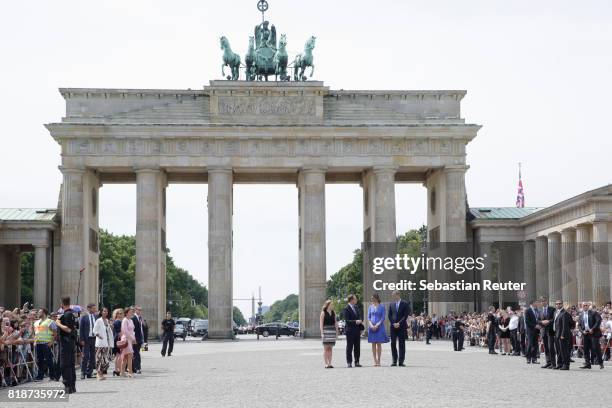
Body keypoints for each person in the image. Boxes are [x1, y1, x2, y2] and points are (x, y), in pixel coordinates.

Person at [55, 296, 77, 394]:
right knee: (71, 364)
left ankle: (67, 387)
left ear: (62, 304)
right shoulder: (72, 314)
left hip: (66, 342)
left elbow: (68, 329)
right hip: (71, 342)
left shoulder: (67, 314)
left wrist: (58, 323)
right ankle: (72, 386)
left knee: (64, 365)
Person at [579, 301, 604, 369]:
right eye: (583, 305)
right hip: (585, 334)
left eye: (586, 305)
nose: (585, 306)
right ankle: (587, 364)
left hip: (594, 333)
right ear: (582, 306)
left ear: (588, 306)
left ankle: (600, 362)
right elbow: (579, 325)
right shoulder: (581, 315)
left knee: (596, 348)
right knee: (586, 349)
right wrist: (582, 331)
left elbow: (598, 321)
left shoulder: (594, 313)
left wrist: (592, 329)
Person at [33, 308, 56, 381]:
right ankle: (40, 376)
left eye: (39, 312)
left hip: (46, 343)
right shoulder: (36, 322)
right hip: (38, 344)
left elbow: (55, 332)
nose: (38, 313)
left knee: (49, 360)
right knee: (40, 361)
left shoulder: (50, 322)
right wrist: (34, 341)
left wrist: (51, 342)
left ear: (44, 313)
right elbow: (36, 333)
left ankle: (52, 376)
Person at [388, 290, 409, 366]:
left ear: (398, 295)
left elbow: (405, 315)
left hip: (402, 326)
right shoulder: (391, 304)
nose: (393, 297)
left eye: (393, 295)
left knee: (401, 344)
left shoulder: (405, 303)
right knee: (393, 343)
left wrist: (399, 323)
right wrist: (393, 323)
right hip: (393, 327)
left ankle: (401, 361)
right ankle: (394, 360)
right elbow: (389, 315)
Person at [92, 307, 114, 380]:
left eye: (106, 311)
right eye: (104, 311)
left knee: (105, 360)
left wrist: (110, 326)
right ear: (101, 312)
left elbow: (109, 332)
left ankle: (101, 373)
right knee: (99, 359)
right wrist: (99, 336)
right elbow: (94, 331)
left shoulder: (107, 321)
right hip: (100, 343)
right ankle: (98, 374)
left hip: (106, 343)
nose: (105, 312)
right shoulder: (98, 320)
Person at [367, 294, 388, 366]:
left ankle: (379, 360)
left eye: (372, 298)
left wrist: (377, 325)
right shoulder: (370, 307)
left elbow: (383, 317)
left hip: (379, 327)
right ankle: (375, 360)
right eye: (371, 298)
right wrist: (371, 325)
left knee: (378, 343)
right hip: (371, 327)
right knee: (373, 344)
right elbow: (368, 317)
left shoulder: (382, 307)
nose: (372, 299)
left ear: (376, 298)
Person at [79, 303, 98, 379]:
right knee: (85, 356)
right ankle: (83, 372)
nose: (94, 310)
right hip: (86, 339)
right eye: (93, 308)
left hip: (94, 339)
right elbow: (81, 329)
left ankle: (89, 372)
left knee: (93, 357)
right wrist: (82, 339)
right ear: (89, 309)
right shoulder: (84, 317)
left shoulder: (96, 317)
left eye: (95, 308)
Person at [343, 294, 362, 368]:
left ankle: (357, 362)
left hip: (357, 330)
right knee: (349, 347)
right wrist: (356, 321)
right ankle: (349, 362)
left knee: (357, 347)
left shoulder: (356, 307)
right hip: (350, 330)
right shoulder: (346, 308)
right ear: (351, 300)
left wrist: (360, 322)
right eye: (355, 299)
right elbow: (347, 321)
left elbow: (360, 316)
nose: (356, 300)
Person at [553, 300, 572, 370]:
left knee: (564, 351)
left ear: (562, 304)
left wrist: (563, 334)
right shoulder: (555, 312)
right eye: (556, 304)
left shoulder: (564, 313)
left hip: (562, 335)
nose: (558, 305)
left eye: (559, 304)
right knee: (558, 350)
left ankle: (566, 365)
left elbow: (565, 325)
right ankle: (559, 364)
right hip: (556, 334)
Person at [319, 299, 338, 369]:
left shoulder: (333, 312)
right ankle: (326, 363)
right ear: (328, 305)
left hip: (332, 331)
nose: (332, 305)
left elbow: (335, 322)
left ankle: (330, 363)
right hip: (326, 331)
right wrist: (322, 333)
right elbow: (321, 323)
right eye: (331, 304)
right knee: (326, 348)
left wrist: (337, 332)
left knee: (330, 348)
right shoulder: (323, 313)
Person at [538, 296, 556, 369]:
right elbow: (538, 320)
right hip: (543, 331)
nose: (543, 302)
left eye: (544, 301)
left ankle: (553, 363)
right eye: (542, 301)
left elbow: (554, 318)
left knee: (551, 347)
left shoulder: (552, 309)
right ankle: (548, 362)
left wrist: (548, 321)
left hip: (550, 331)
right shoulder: (540, 310)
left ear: (547, 301)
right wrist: (542, 322)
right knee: (546, 347)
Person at [120, 307, 136, 377]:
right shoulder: (125, 320)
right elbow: (125, 331)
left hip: (130, 339)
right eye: (130, 312)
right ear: (126, 313)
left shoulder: (131, 320)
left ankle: (122, 372)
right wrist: (132, 338)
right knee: (129, 356)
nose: (131, 313)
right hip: (126, 339)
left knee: (126, 357)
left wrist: (133, 338)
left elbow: (132, 331)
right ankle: (130, 372)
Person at [524, 300, 540, 364]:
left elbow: (538, 319)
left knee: (535, 345)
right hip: (530, 330)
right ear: (532, 303)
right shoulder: (528, 311)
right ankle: (528, 358)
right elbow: (527, 321)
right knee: (530, 344)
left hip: (536, 330)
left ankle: (534, 358)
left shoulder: (537, 310)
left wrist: (540, 325)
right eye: (536, 303)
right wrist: (535, 326)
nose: (537, 304)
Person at [132, 305, 144, 374]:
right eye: (138, 310)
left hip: (140, 338)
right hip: (135, 339)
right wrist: (134, 339)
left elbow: (141, 329)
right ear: (135, 310)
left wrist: (143, 339)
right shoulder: (133, 318)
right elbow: (133, 330)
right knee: (136, 354)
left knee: (136, 353)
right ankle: (137, 368)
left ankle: (134, 367)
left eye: (140, 310)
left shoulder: (140, 318)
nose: (139, 311)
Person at [111, 308, 124, 377]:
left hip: (117, 339)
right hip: (118, 339)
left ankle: (116, 370)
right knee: (119, 355)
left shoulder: (118, 321)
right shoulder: (118, 322)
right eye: (119, 313)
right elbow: (119, 332)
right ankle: (118, 369)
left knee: (117, 355)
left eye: (121, 313)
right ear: (116, 314)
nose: (120, 314)